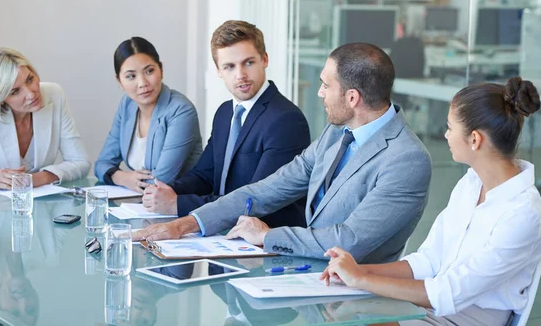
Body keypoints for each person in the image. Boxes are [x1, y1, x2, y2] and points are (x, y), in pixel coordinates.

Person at [134, 42, 433, 263]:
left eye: (325, 85)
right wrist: (186, 224)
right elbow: (269, 189)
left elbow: (348, 241)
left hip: (358, 297)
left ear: (352, 97)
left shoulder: (406, 159)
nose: (319, 93)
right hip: (307, 275)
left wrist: (266, 237)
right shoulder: (336, 133)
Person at [319, 77, 541, 326]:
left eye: (450, 127)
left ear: (474, 139)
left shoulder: (523, 214)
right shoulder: (471, 184)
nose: (445, 134)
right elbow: (428, 260)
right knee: (338, 315)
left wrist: (361, 280)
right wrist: (359, 271)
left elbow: (448, 292)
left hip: (467, 317)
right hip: (431, 305)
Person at [141, 20, 310, 228]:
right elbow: (205, 175)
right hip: (224, 235)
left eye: (248, 62)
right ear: (218, 71)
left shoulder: (285, 120)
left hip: (262, 243)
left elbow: (256, 202)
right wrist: (169, 190)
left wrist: (177, 203)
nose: (240, 75)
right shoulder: (224, 112)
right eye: (229, 66)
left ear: (264, 59)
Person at [0, 48, 90, 189]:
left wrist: (40, 178)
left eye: (30, 79)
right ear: (0, 98)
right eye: (15, 91)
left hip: (41, 205)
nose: (31, 94)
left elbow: (80, 161)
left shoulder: (54, 95)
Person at [94, 37, 203, 193]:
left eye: (149, 71)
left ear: (161, 70)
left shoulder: (181, 110)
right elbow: (101, 164)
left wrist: (126, 178)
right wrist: (124, 178)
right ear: (119, 81)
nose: (142, 83)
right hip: (137, 204)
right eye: (131, 76)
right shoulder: (127, 105)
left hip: (178, 206)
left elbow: (161, 181)